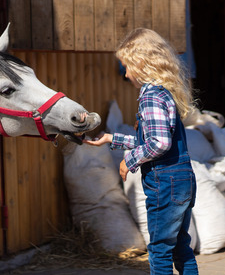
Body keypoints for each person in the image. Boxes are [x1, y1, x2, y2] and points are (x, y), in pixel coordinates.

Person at [84, 28, 198, 274]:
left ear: (142, 63)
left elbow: (158, 144)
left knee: (159, 250)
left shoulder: (150, 97)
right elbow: (151, 139)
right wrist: (111, 138)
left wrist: (129, 161)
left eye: (126, 66)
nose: (125, 73)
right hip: (181, 179)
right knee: (180, 246)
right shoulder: (165, 94)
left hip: (165, 183)